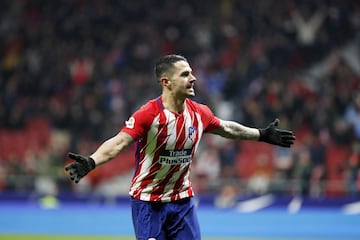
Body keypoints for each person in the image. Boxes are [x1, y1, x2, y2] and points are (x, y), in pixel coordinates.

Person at [65, 54, 295, 240]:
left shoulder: (199, 113)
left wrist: (262, 135)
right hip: (148, 202)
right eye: (185, 74)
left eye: (192, 73)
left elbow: (228, 128)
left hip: (182, 200)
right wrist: (92, 160)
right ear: (167, 82)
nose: (193, 78)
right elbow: (119, 142)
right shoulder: (149, 114)